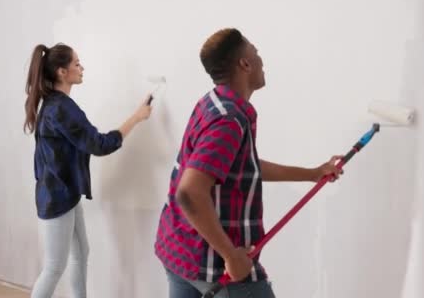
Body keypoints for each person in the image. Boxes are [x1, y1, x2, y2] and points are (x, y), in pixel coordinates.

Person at [154, 28, 343, 298]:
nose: (261, 59)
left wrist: (312, 173)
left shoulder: (212, 103)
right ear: (244, 63)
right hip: (216, 266)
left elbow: (243, 167)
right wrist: (230, 255)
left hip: (179, 252)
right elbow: (189, 192)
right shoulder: (229, 120)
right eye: (256, 52)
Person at [24, 43, 152, 298]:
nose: (82, 68)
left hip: (65, 194)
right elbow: (99, 145)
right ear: (62, 72)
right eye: (77, 64)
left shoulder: (56, 104)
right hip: (56, 199)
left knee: (81, 254)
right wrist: (137, 117)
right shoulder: (60, 108)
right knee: (53, 267)